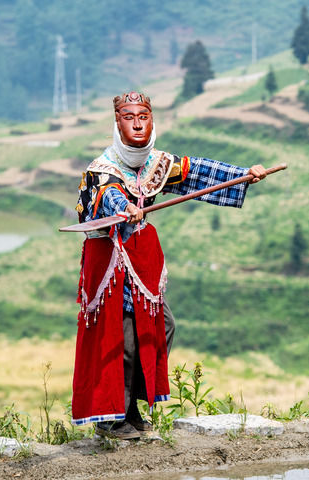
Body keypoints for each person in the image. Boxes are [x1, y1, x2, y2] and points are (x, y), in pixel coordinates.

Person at [71, 91, 267, 439]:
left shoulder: (156, 164)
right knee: (122, 341)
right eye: (129, 118)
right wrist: (124, 208)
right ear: (117, 123)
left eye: (143, 117)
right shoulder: (101, 170)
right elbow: (107, 195)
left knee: (161, 327)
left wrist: (244, 174)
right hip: (108, 264)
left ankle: (131, 408)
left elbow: (197, 171)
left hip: (139, 261)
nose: (137, 124)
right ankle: (111, 419)